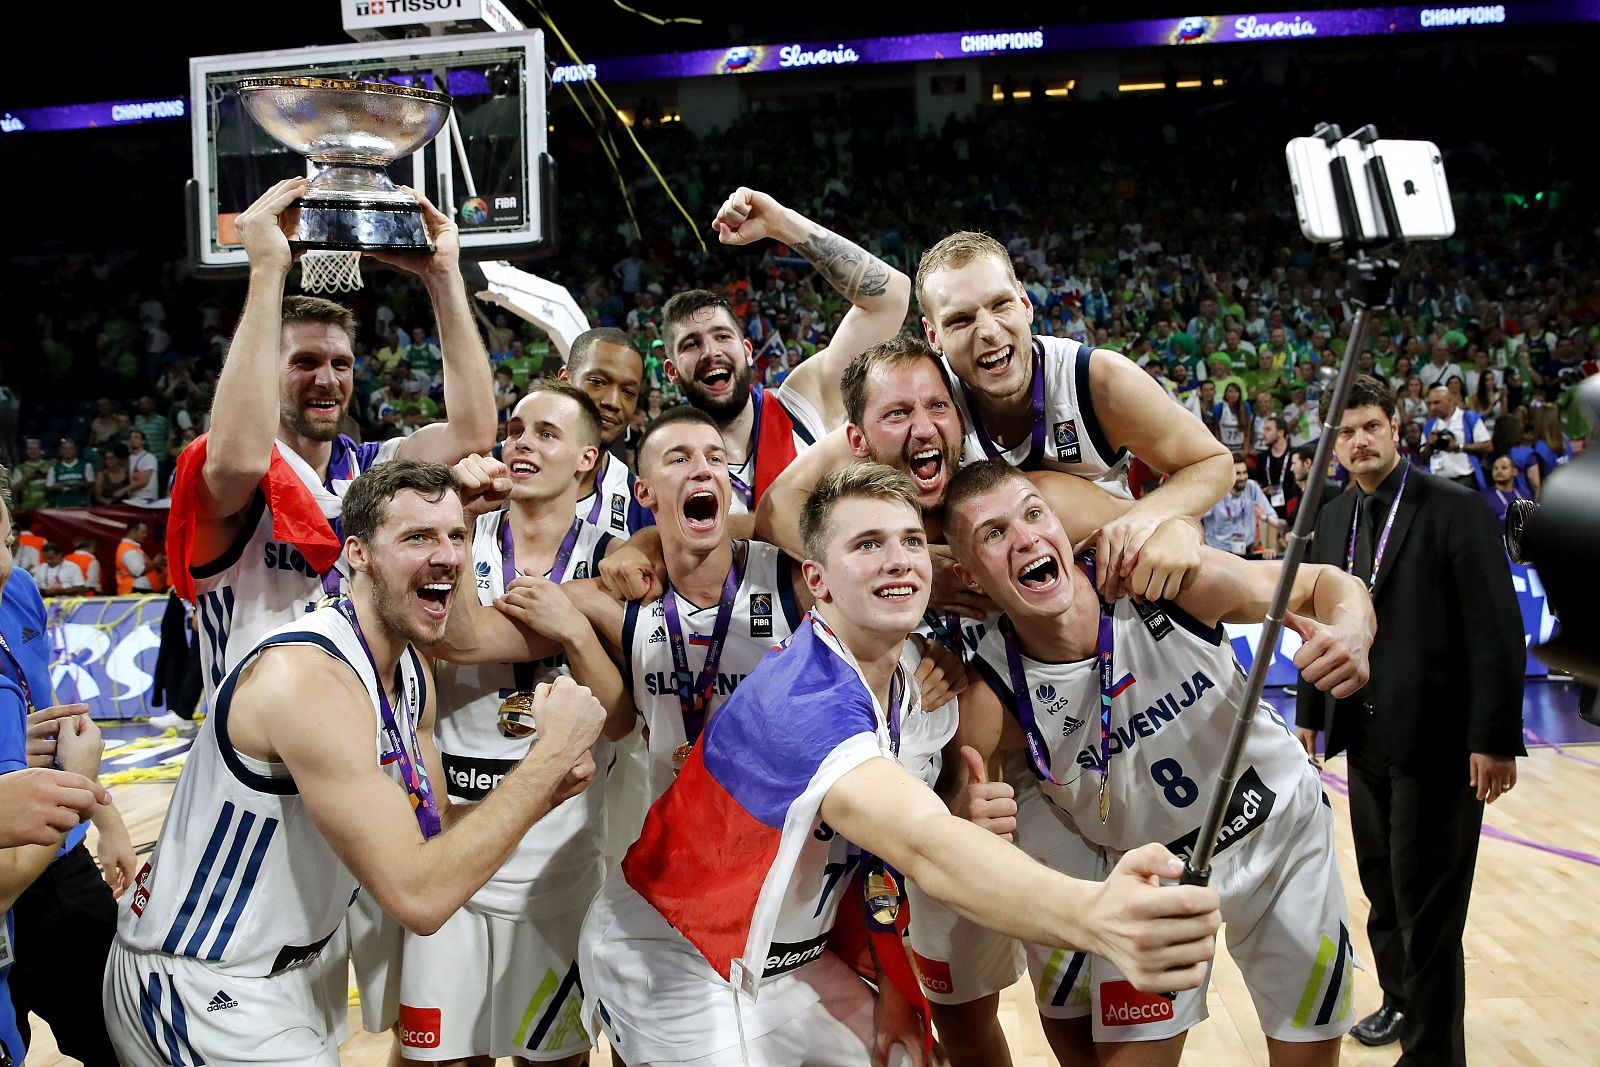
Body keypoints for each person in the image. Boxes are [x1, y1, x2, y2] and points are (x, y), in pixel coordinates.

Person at [577, 464, 1223, 1067]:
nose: (898, 560)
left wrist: (893, 980)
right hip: (676, 957)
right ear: (817, 580)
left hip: (790, 957)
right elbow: (926, 845)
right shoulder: (802, 704)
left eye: (912, 540)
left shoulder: (912, 680)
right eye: (867, 544)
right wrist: (1096, 914)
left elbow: (884, 853)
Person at [103, 460, 607, 1067]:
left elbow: (433, 828)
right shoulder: (309, 679)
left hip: (291, 968)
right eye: (418, 537)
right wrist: (545, 762)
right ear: (358, 556)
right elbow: (419, 899)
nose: (447, 554)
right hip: (204, 975)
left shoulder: (410, 670)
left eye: (456, 535)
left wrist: (547, 792)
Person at [933, 459, 1372, 1067]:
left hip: (1280, 835)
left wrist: (1352, 631)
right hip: (1151, 880)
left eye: (1035, 514)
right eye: (994, 533)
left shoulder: (1160, 584)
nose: (1027, 537)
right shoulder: (992, 692)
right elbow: (948, 818)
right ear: (970, 578)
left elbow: (1322, 582)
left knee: (1307, 1058)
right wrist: (964, 809)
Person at [164, 177, 496, 706]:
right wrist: (268, 268)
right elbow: (241, 460)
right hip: (264, 761)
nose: (327, 379)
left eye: (340, 364)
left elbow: (472, 433)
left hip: (375, 730)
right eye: (304, 362)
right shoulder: (234, 476)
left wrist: (443, 276)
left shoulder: (373, 470)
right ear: (263, 374)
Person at [393, 385, 632, 1066]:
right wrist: (457, 524)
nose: (522, 442)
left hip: (558, 865)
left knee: (550, 1061)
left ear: (588, 457)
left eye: (546, 434)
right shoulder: (452, 532)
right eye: (516, 429)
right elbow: (445, 640)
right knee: (435, 1059)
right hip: (452, 847)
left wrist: (575, 634)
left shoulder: (612, 558)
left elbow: (619, 720)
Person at [1295, 375, 1524, 1063]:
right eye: (1346, 431)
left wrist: (1493, 737)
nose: (1358, 440)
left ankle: (1433, 1052)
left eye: (1370, 425)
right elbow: (1314, 620)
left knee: (1429, 908)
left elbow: (1496, 630)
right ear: (1334, 445)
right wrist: (1312, 710)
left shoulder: (1454, 509)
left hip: (1441, 743)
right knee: (1383, 889)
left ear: (1397, 428)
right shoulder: (1334, 517)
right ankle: (1399, 1000)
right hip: (1363, 736)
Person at [915, 232, 1232, 584]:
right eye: (961, 320)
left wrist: (1157, 518)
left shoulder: (1100, 380)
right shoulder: (922, 399)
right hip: (994, 610)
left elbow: (1214, 463)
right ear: (933, 336)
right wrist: (923, 563)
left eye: (1001, 304)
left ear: (1025, 302)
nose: (988, 331)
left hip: (1116, 584)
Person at [662, 187, 912, 513]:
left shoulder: (802, 405)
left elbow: (889, 299)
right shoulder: (670, 467)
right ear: (671, 373)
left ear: (748, 350)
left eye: (722, 336)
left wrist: (780, 224)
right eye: (691, 344)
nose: (711, 352)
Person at [0, 480, 111, 1064]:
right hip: (17, 862)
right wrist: (80, 794)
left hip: (58, 866)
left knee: (121, 1036)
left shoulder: (20, 592)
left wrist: (104, 815)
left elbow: (49, 718)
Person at [555, 327, 654, 537]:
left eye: (628, 392)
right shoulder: (500, 469)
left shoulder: (636, 499)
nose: (613, 402)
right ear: (564, 382)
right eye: (598, 382)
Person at [1201, 455, 1282, 559]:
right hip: (1219, 553)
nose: (1243, 477)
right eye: (1238, 474)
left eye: (1245, 472)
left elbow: (1272, 517)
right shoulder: (1214, 491)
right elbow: (1195, 520)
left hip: (1247, 551)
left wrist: (1271, 548)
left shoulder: (1252, 487)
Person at [1421, 383, 1492, 490]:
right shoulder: (1429, 425)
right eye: (1430, 403)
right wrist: (1429, 445)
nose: (1433, 407)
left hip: (1465, 479)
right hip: (1438, 482)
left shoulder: (1469, 418)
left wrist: (1459, 447)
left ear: (1450, 400)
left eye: (1437, 402)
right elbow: (1423, 457)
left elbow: (1488, 446)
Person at [1480, 454, 1532, 524]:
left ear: (1515, 471)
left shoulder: (1525, 495)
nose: (1499, 471)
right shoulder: (1484, 497)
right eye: (1495, 468)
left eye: (1504, 468)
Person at [46, 438, 94, 508]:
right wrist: (60, 485)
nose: (68, 451)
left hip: (81, 505)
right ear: (60, 450)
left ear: (75, 450)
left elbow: (91, 484)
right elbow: (48, 488)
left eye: (71, 448)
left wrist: (76, 483)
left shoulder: (86, 465)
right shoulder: (54, 468)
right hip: (62, 506)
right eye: (64, 449)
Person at [115, 520, 155, 594]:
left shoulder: (133, 548)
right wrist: (156, 563)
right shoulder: (129, 550)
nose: (145, 535)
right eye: (142, 532)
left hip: (137, 589)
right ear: (133, 531)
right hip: (135, 590)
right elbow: (139, 571)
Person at [127, 429, 161, 503]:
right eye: (131, 437)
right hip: (133, 498)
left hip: (147, 498)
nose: (133, 439)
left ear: (143, 441)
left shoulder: (149, 457)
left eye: (136, 437)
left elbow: (144, 481)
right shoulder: (129, 458)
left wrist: (123, 490)